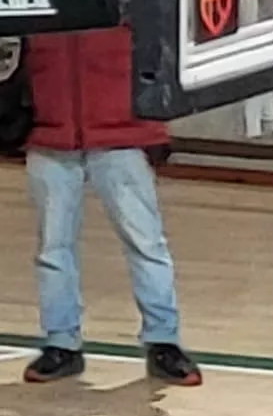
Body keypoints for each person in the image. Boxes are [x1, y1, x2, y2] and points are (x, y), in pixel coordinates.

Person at [20, 24, 200, 386]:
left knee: (146, 242)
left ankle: (163, 340)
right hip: (48, 130)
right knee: (53, 248)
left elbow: (160, 42)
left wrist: (154, 125)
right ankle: (60, 342)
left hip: (122, 132)